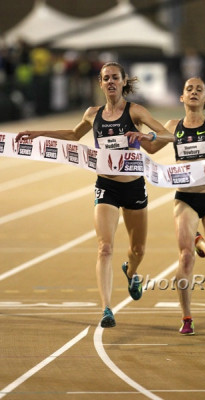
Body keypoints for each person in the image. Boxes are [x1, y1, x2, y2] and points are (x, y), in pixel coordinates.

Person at [15, 62, 173, 328]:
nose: (110, 82)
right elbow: (74, 134)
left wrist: (145, 136)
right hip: (106, 186)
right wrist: (39, 133)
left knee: (138, 250)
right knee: (105, 247)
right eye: (105, 78)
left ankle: (132, 273)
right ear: (100, 84)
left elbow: (168, 135)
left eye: (115, 78)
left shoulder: (135, 111)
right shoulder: (92, 113)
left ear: (123, 82)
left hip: (134, 186)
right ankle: (106, 309)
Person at [126, 77, 205, 335]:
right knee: (185, 257)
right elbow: (152, 148)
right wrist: (137, 137)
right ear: (181, 97)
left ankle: (199, 240)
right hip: (184, 198)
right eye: (188, 89)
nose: (193, 92)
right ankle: (187, 317)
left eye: (199, 90)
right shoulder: (172, 127)